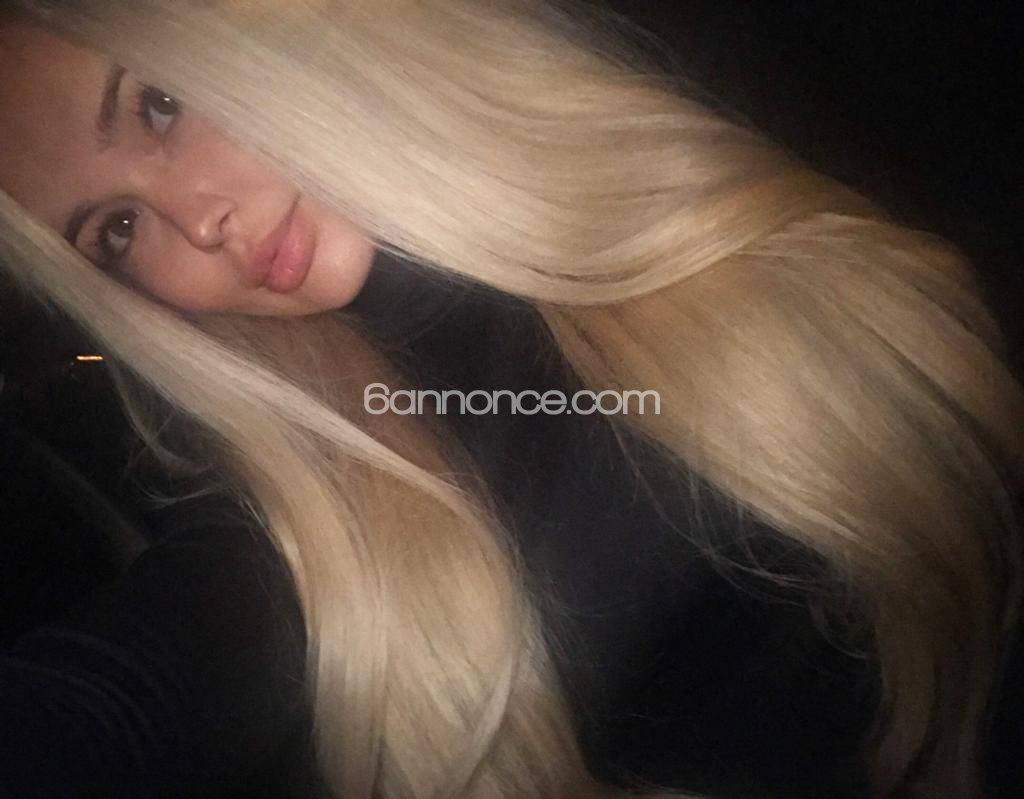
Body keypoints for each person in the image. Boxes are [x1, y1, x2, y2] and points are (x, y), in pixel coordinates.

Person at [0, 2, 1021, 798]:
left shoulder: (689, 69)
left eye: (158, 104)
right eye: (117, 231)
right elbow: (140, 678)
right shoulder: (310, 496)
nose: (198, 221)